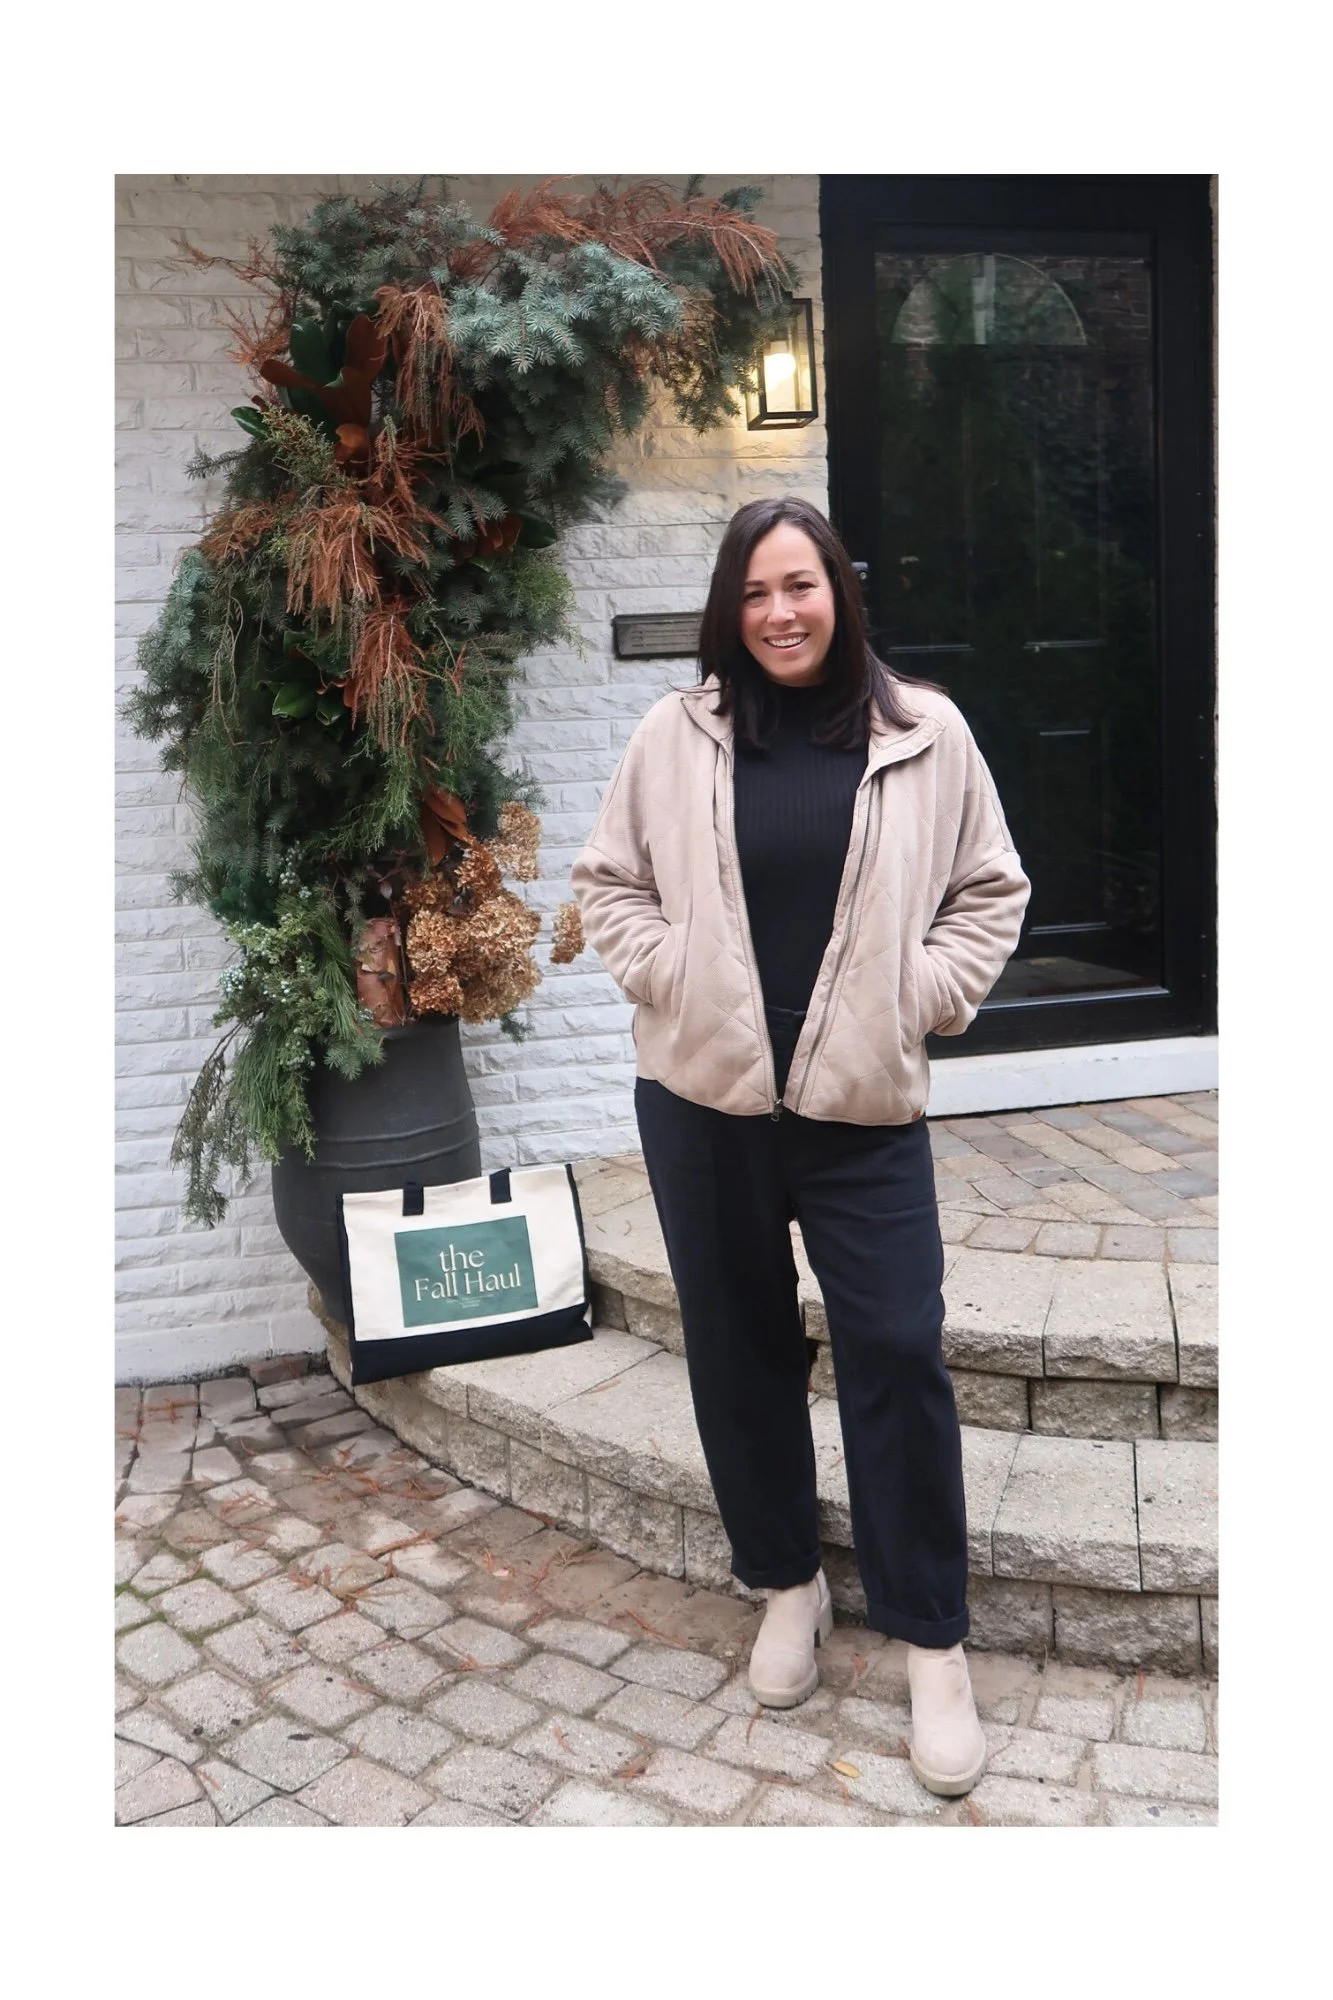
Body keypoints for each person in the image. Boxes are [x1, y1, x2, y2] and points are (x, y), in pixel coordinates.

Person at [570, 496, 1030, 1797]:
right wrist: (670, 974)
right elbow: (608, 883)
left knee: (896, 1347)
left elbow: (991, 889)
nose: (781, 612)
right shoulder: (676, 736)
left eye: (802, 586)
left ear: (841, 593)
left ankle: (931, 1638)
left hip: (863, 1112)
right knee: (739, 1349)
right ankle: (786, 1584)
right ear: (732, 608)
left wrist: (919, 995)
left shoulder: (924, 733)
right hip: (703, 1103)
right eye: (757, 592)